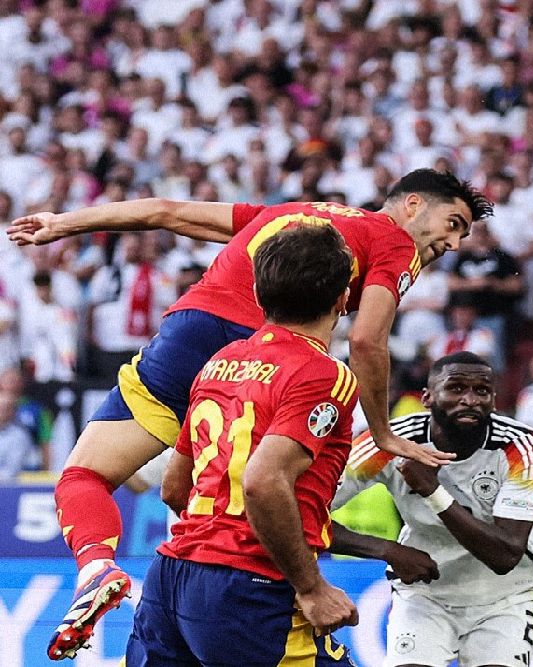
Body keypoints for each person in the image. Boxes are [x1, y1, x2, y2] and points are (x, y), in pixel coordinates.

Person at [8, 168, 492, 659]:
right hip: (267, 356)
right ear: (412, 205)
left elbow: (165, 212)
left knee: (84, 475)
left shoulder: (289, 213)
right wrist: (384, 434)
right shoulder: (394, 241)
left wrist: (63, 223)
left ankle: (96, 566)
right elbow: (367, 339)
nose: (453, 243)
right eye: (453, 223)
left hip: (190, 342)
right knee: (271, 477)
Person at [126, 226, 436, 665]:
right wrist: (311, 588)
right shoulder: (324, 374)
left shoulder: (220, 361)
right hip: (250, 588)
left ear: (256, 291)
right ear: (344, 298)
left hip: (170, 579)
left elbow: (175, 490)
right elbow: (263, 481)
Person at [331, 351, 533, 667]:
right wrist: (388, 550)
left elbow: (505, 555)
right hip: (426, 594)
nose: (469, 400)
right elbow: (299, 513)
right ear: (427, 397)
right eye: (455, 388)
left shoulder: (522, 447)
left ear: (494, 401)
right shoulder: (387, 442)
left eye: (482, 391)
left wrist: (433, 491)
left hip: (506, 596)